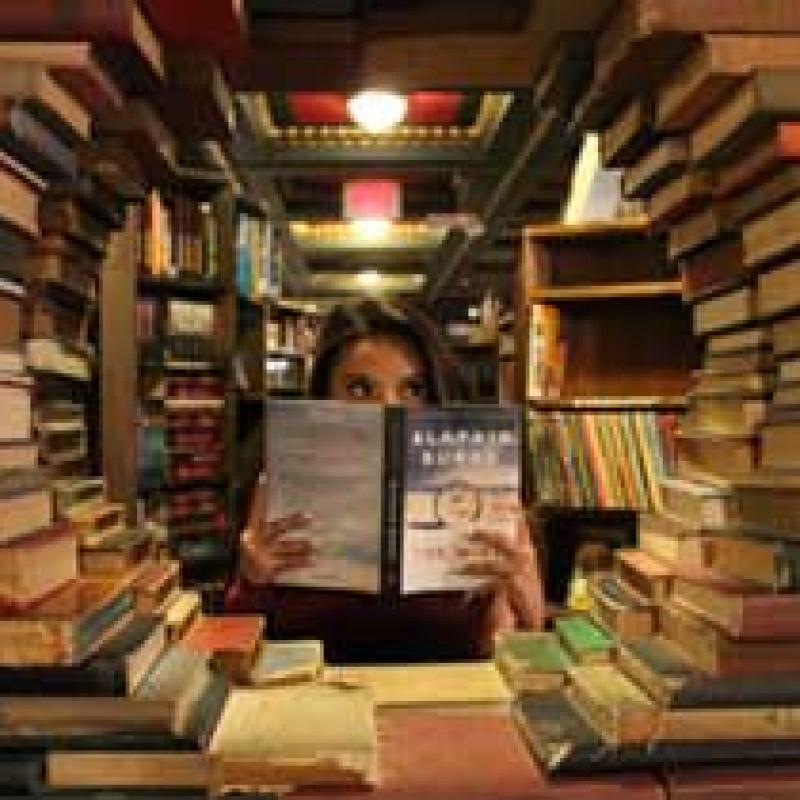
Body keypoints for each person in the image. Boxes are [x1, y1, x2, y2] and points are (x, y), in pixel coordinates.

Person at [226, 299, 545, 663]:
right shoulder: (275, 482)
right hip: (311, 702)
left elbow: (526, 648)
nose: (389, 408)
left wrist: (523, 591)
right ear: (325, 399)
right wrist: (251, 580)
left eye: (413, 389)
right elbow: (236, 651)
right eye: (361, 390)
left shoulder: (483, 486)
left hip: (447, 702)